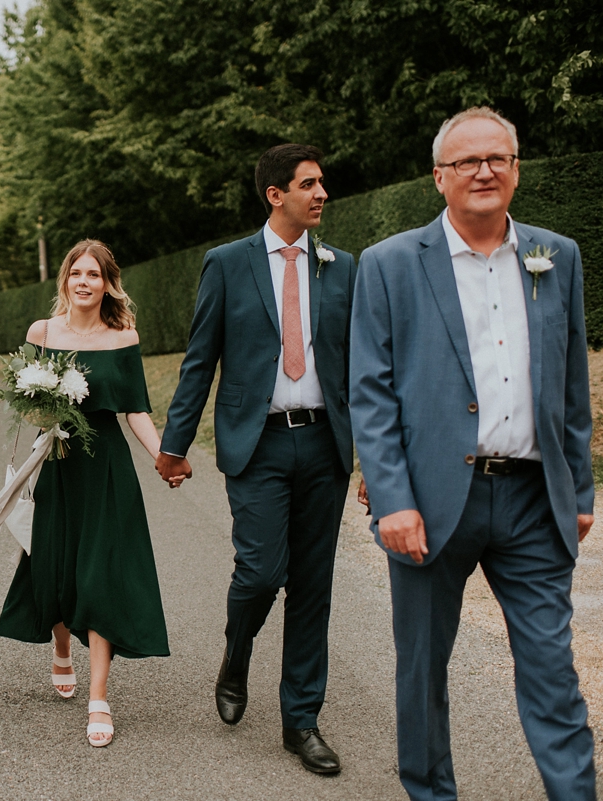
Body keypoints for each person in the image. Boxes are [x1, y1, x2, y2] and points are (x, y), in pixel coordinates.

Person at [349, 107, 596, 800]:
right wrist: (391, 497)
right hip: (428, 501)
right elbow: (369, 390)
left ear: (516, 169)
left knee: (553, 670)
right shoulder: (391, 264)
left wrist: (578, 491)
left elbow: (572, 383)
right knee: (423, 671)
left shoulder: (557, 255)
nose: (484, 171)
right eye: (467, 162)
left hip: (531, 500)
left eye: (498, 158)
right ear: (439, 177)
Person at [156, 144, 356, 774]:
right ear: (276, 195)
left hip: (325, 444)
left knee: (313, 589)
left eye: (322, 183)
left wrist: (376, 457)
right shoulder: (227, 264)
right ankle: (236, 652)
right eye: (309, 184)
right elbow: (199, 362)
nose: (322, 193)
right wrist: (174, 445)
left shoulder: (341, 266)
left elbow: (365, 366)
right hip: (258, 443)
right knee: (262, 572)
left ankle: (302, 721)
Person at [0, 239, 169, 748]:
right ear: (66, 280)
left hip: (107, 466)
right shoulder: (41, 333)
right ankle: (61, 648)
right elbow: (24, 407)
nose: (84, 282)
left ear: (108, 283)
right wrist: (44, 408)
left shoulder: (124, 337)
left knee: (102, 571)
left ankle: (99, 696)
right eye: (77, 273)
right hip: (56, 460)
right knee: (58, 564)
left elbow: (136, 408)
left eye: (95, 274)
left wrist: (163, 456)